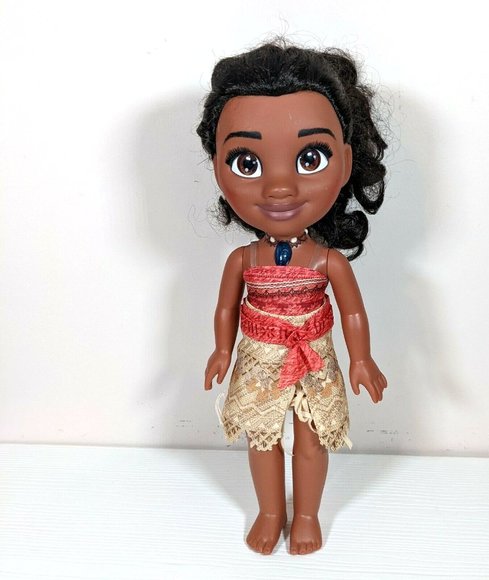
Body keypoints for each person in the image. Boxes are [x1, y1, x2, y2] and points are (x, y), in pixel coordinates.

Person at [198, 39, 388, 556]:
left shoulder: (328, 261)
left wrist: (362, 359)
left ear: (344, 163)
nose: (279, 187)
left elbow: (352, 311)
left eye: (310, 157)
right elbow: (226, 307)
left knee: (311, 437)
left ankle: (306, 514)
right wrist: (221, 350)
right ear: (218, 168)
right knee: (262, 437)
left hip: (314, 359)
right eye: (247, 162)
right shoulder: (243, 260)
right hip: (259, 358)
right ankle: (269, 511)